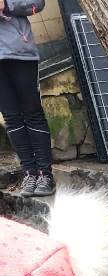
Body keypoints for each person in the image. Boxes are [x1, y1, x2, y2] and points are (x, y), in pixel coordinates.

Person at [0, 0, 54, 197]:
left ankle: (45, 174)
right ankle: (30, 173)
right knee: (11, 117)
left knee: (32, 113)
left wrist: (7, 5)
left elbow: (37, 3)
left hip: (20, 53)